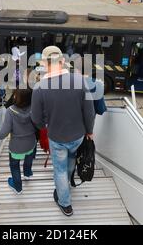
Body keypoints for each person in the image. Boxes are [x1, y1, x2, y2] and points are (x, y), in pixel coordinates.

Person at [31, 46, 95, 216]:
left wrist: (46, 124)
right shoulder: (80, 81)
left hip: (57, 137)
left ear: (44, 63)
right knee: (71, 161)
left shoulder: (39, 87)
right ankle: (66, 185)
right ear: (63, 61)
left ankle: (65, 203)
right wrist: (89, 131)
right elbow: (89, 110)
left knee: (59, 169)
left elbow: (36, 119)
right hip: (78, 136)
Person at [0, 89, 36, 194]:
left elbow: (4, 133)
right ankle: (27, 173)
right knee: (29, 158)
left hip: (16, 146)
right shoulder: (34, 107)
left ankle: (18, 187)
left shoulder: (10, 111)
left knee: (14, 166)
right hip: (31, 142)